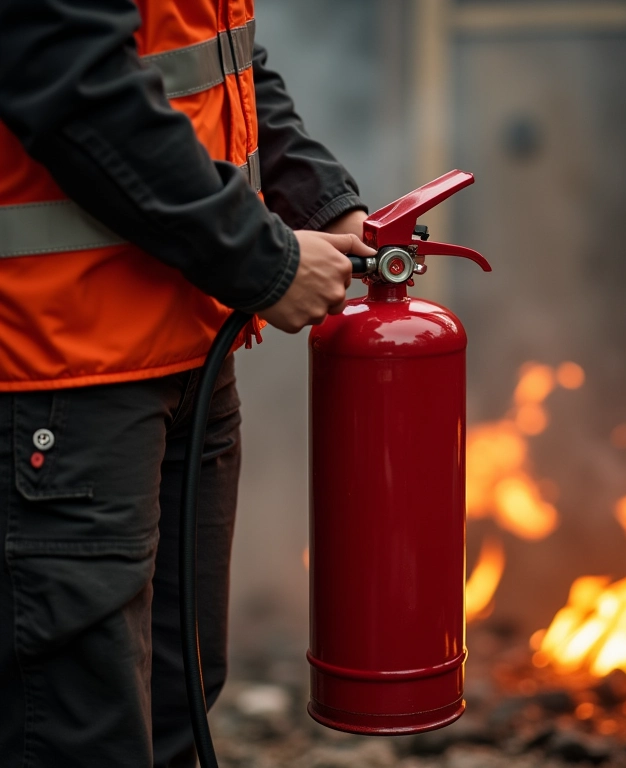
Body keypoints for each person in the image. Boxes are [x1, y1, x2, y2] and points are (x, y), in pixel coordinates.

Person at [0, 0, 375, 765]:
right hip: (60, 371)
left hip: (184, 358)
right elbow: (76, 88)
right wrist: (259, 258)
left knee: (177, 707)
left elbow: (217, 59)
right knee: (81, 735)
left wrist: (321, 198)